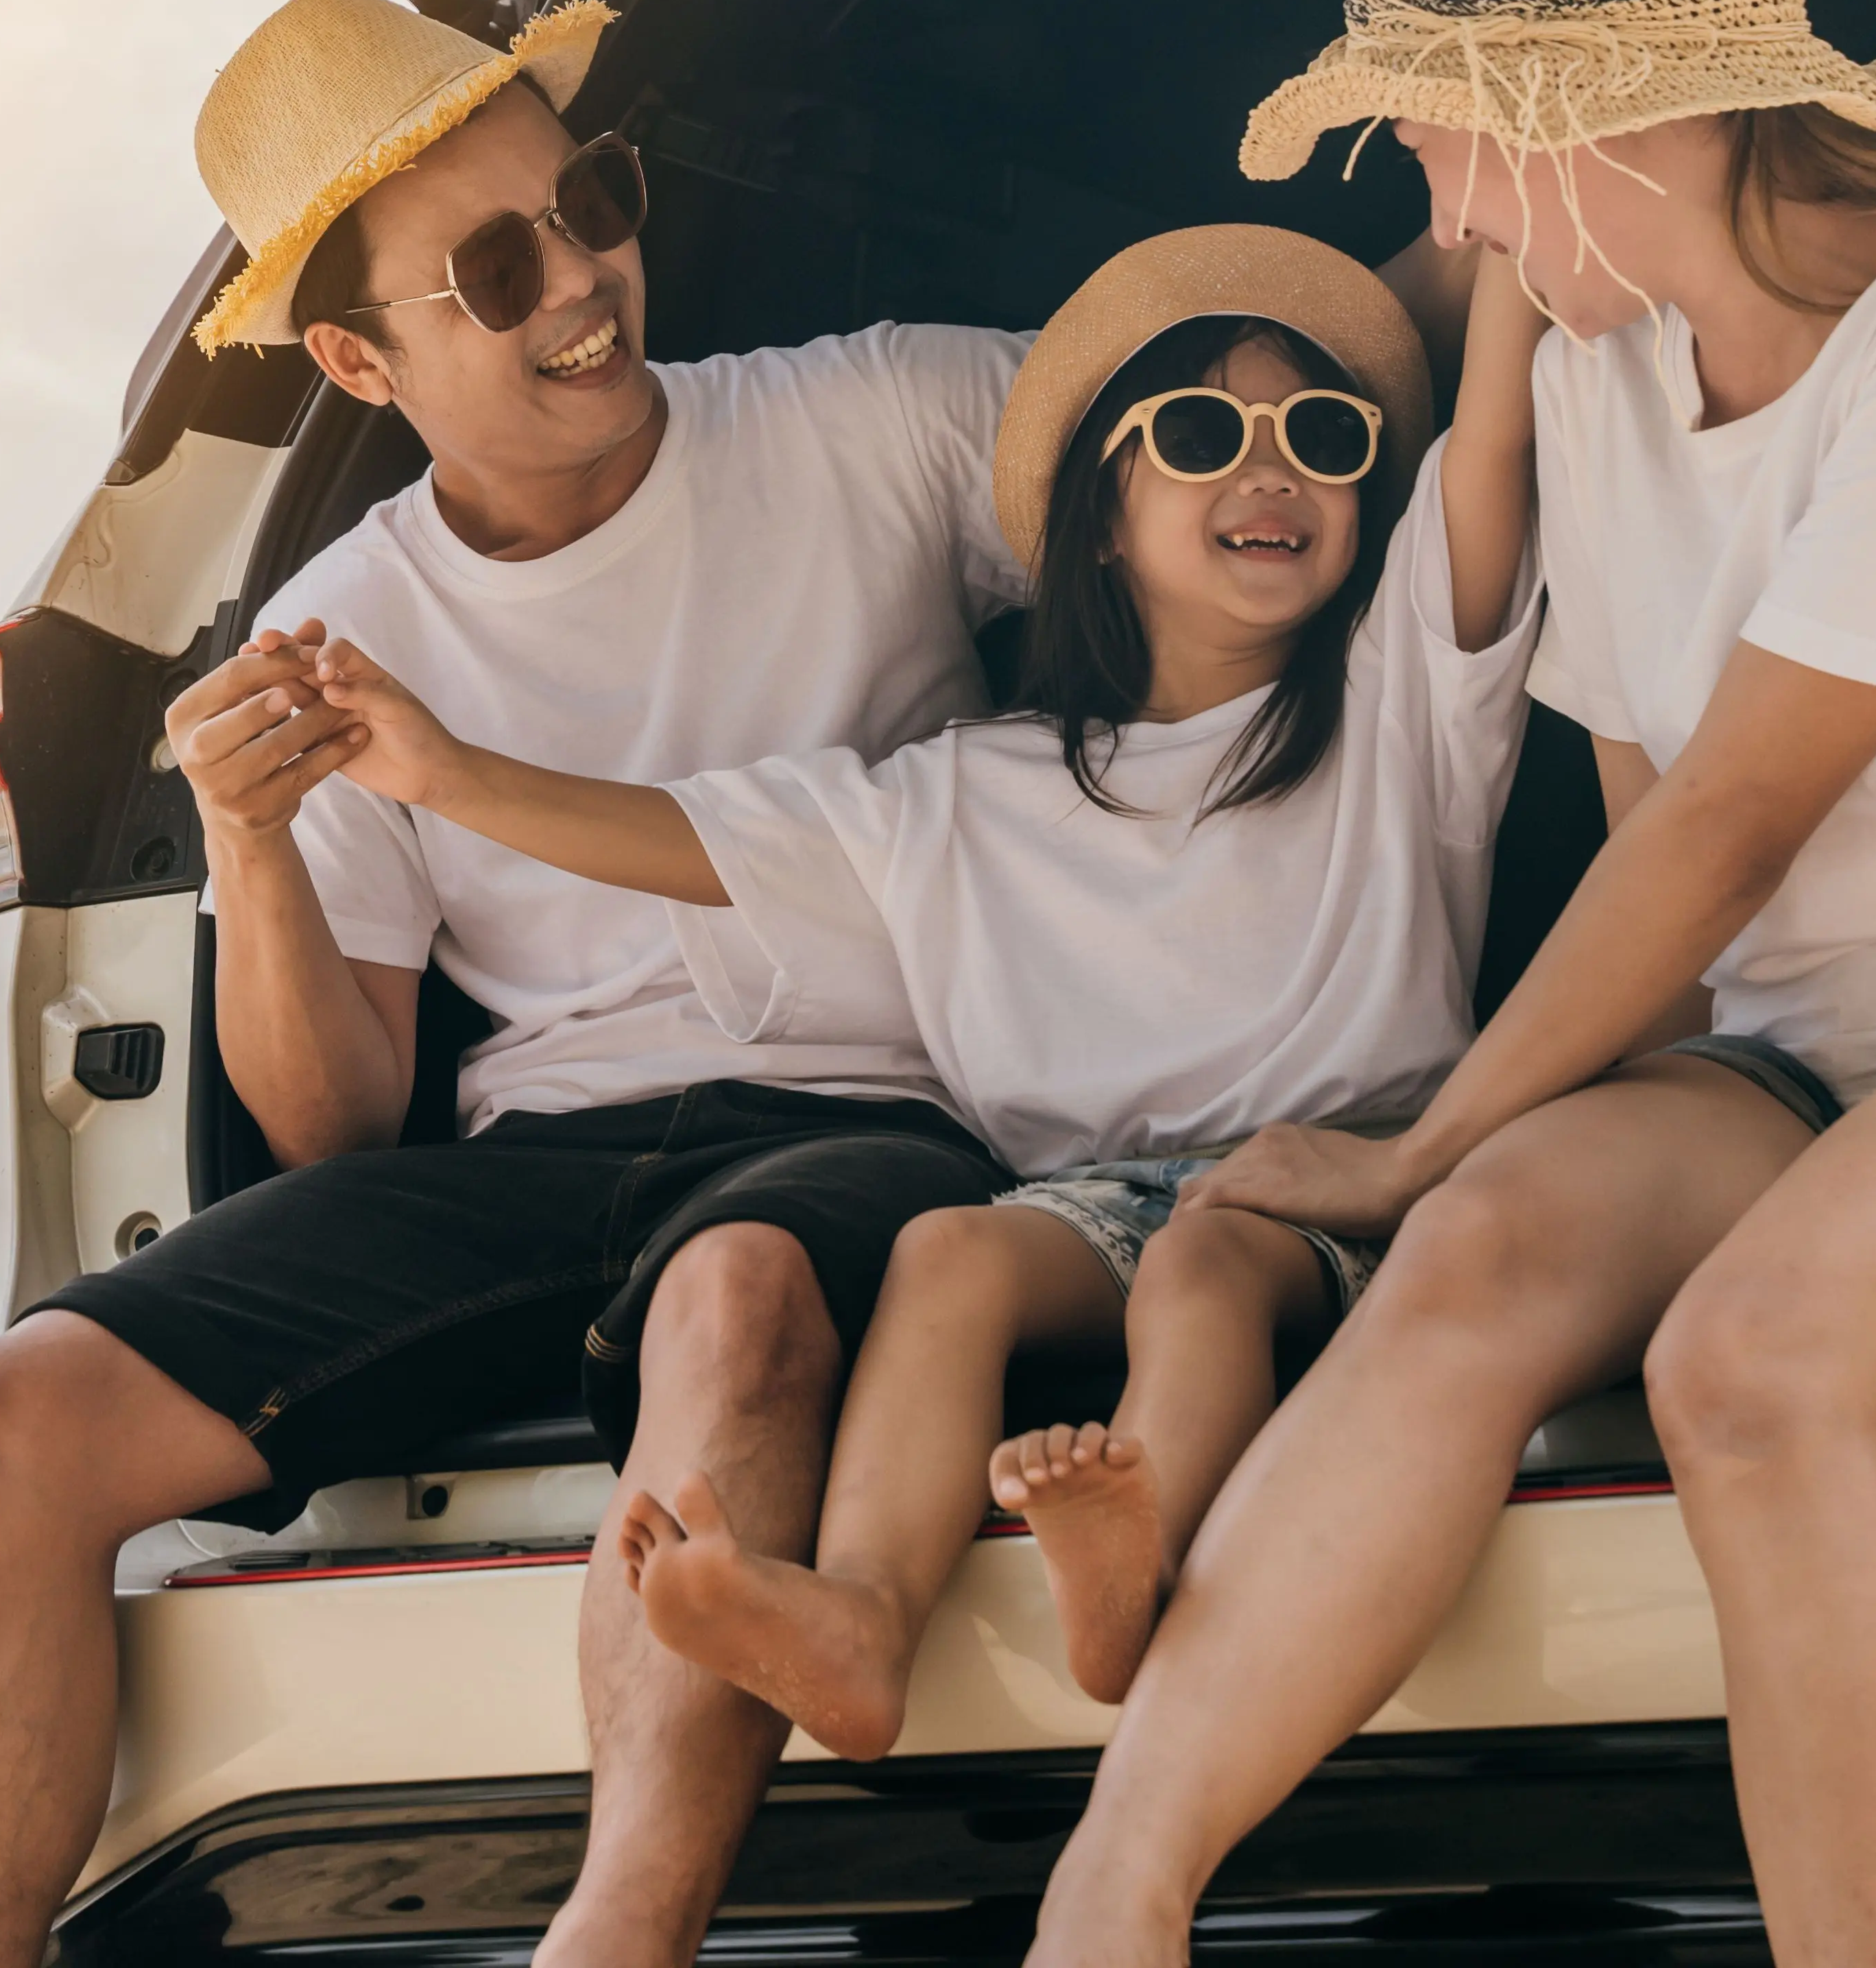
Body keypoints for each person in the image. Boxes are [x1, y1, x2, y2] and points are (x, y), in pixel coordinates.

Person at [0, 0, 1035, 1968]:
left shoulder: (883, 416)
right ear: (356, 352)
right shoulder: (342, 619)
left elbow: (1241, 433)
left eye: (589, 197)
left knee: (736, 1295)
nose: (582, 273)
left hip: (875, 1120)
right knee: (3, 1416)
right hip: (533, 1169)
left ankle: (618, 1938)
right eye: (497, 265)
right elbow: (339, 1121)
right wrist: (248, 846)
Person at [1018, 0, 1876, 1968]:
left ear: (1570, 118)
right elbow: (1669, 872)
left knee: (1742, 1364)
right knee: (1470, 1264)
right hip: (1787, 1053)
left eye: (1436, 146)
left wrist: (1418, 1133)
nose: (1436, 210)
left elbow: (1734, 816)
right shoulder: (1597, 376)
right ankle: (1109, 1907)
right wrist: (1451, 1172)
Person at [294, 220, 1546, 1757]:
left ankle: (1133, 1566)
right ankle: (864, 1618)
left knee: (1204, 1270)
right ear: (1092, 518)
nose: (1272, 471)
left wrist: (1510, 221)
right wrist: (449, 774)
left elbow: (1491, 441)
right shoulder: (968, 790)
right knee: (951, 1253)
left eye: (1327, 437)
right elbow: (696, 842)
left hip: (1340, 1193)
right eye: (1207, 432)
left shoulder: (1407, 701)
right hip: (1084, 1200)